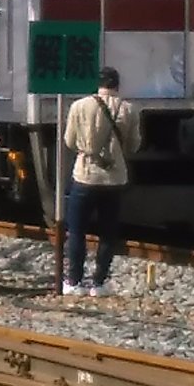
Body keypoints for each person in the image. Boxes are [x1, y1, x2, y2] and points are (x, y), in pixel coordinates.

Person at [60, 66, 139, 297]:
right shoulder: (129, 109)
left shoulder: (79, 106)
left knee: (76, 231)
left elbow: (69, 141)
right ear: (117, 85)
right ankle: (99, 283)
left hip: (84, 176)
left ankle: (74, 281)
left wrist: (88, 150)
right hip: (114, 180)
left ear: (98, 83)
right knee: (108, 233)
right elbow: (134, 145)